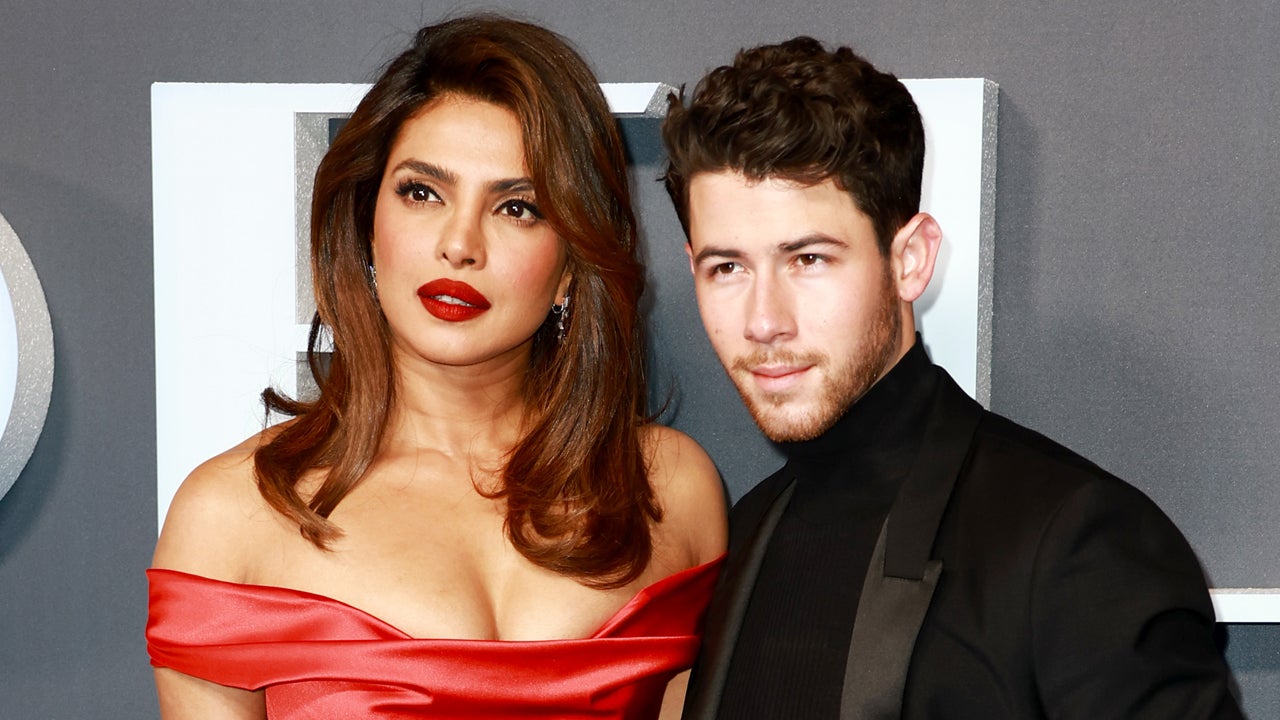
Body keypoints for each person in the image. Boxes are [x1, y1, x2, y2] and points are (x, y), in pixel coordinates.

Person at [147, 15, 726, 719]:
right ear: (366, 222)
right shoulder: (230, 517)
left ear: (573, 266)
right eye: (423, 192)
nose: (460, 244)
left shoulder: (669, 490)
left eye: (518, 207)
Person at [662, 36, 1243, 719]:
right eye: (727, 268)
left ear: (910, 259)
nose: (764, 321)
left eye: (809, 259)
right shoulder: (751, 529)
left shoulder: (1079, 544)